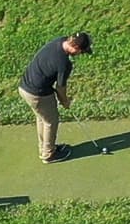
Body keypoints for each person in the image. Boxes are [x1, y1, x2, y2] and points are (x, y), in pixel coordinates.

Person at [18, 31, 91, 163]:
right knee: (51, 121)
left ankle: (45, 148)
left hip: (24, 87)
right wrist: (65, 101)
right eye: (82, 51)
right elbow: (60, 88)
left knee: (42, 118)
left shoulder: (60, 40)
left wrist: (62, 99)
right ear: (75, 48)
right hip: (37, 93)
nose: (81, 54)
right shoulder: (64, 63)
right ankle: (48, 155)